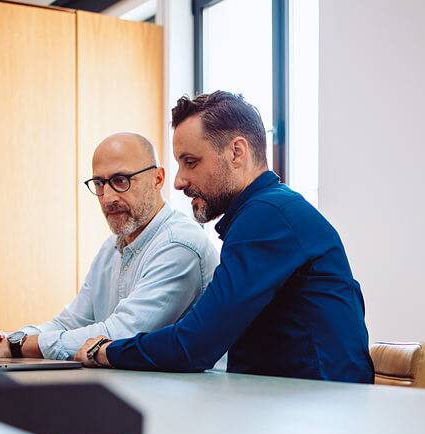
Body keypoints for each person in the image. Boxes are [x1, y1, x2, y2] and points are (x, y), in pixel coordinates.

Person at [76, 91, 374, 383]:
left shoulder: (268, 217)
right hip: (295, 405)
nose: (179, 181)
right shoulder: (266, 213)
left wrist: (105, 351)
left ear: (236, 152)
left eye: (190, 162)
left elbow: (194, 345)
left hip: (322, 411)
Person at [0, 132, 219, 360]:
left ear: (157, 179)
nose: (107, 198)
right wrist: (2, 340)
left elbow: (118, 336)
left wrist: (17, 347)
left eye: (121, 180)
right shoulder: (112, 247)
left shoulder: (179, 245)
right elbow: (69, 323)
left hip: (180, 403)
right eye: (99, 184)